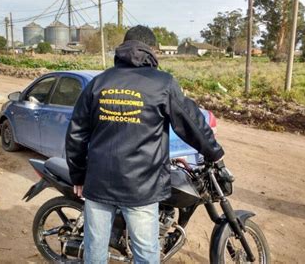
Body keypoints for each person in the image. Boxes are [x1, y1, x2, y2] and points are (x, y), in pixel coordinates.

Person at [65, 25, 224, 263]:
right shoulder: (163, 84)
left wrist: (78, 175)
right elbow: (191, 124)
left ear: (123, 47)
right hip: (140, 186)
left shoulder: (98, 83)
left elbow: (76, 134)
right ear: (152, 49)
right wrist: (215, 153)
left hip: (98, 183)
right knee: (146, 253)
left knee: (95, 249)